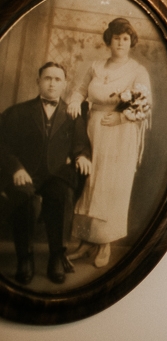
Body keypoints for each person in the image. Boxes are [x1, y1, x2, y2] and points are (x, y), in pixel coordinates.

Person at [66, 18, 152, 270]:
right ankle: (85, 242)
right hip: (93, 130)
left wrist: (121, 117)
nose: (120, 43)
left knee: (112, 185)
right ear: (109, 40)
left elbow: (144, 105)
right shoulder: (95, 67)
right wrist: (75, 101)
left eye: (125, 39)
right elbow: (80, 90)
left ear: (131, 42)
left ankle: (105, 244)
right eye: (116, 38)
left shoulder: (137, 71)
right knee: (90, 183)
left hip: (120, 134)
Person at [0, 63, 92, 284]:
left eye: (57, 79)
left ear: (65, 84)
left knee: (63, 195)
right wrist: (16, 168)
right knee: (25, 198)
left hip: (56, 175)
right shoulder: (18, 112)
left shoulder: (72, 115)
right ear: (38, 81)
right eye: (47, 78)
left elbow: (81, 143)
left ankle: (56, 257)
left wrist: (82, 156)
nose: (52, 83)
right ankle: (25, 258)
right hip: (25, 173)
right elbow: (2, 145)